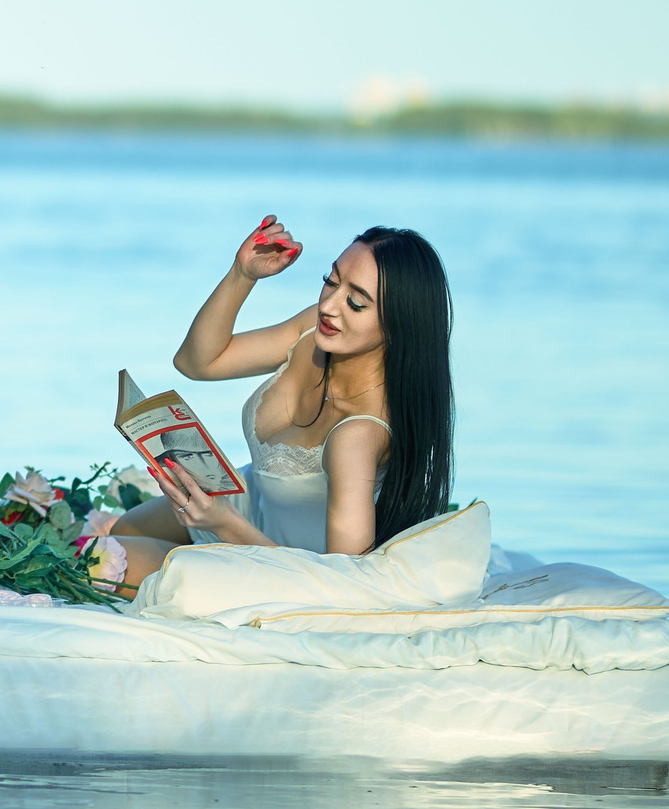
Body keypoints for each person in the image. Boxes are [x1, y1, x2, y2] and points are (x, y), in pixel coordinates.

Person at [108, 217, 454, 589]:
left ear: (400, 324)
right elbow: (195, 362)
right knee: (120, 530)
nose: (330, 306)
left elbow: (343, 587)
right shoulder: (315, 333)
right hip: (248, 502)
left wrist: (222, 523)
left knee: (101, 561)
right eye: (330, 281)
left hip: (274, 559)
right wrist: (243, 275)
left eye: (355, 302)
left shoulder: (358, 435)